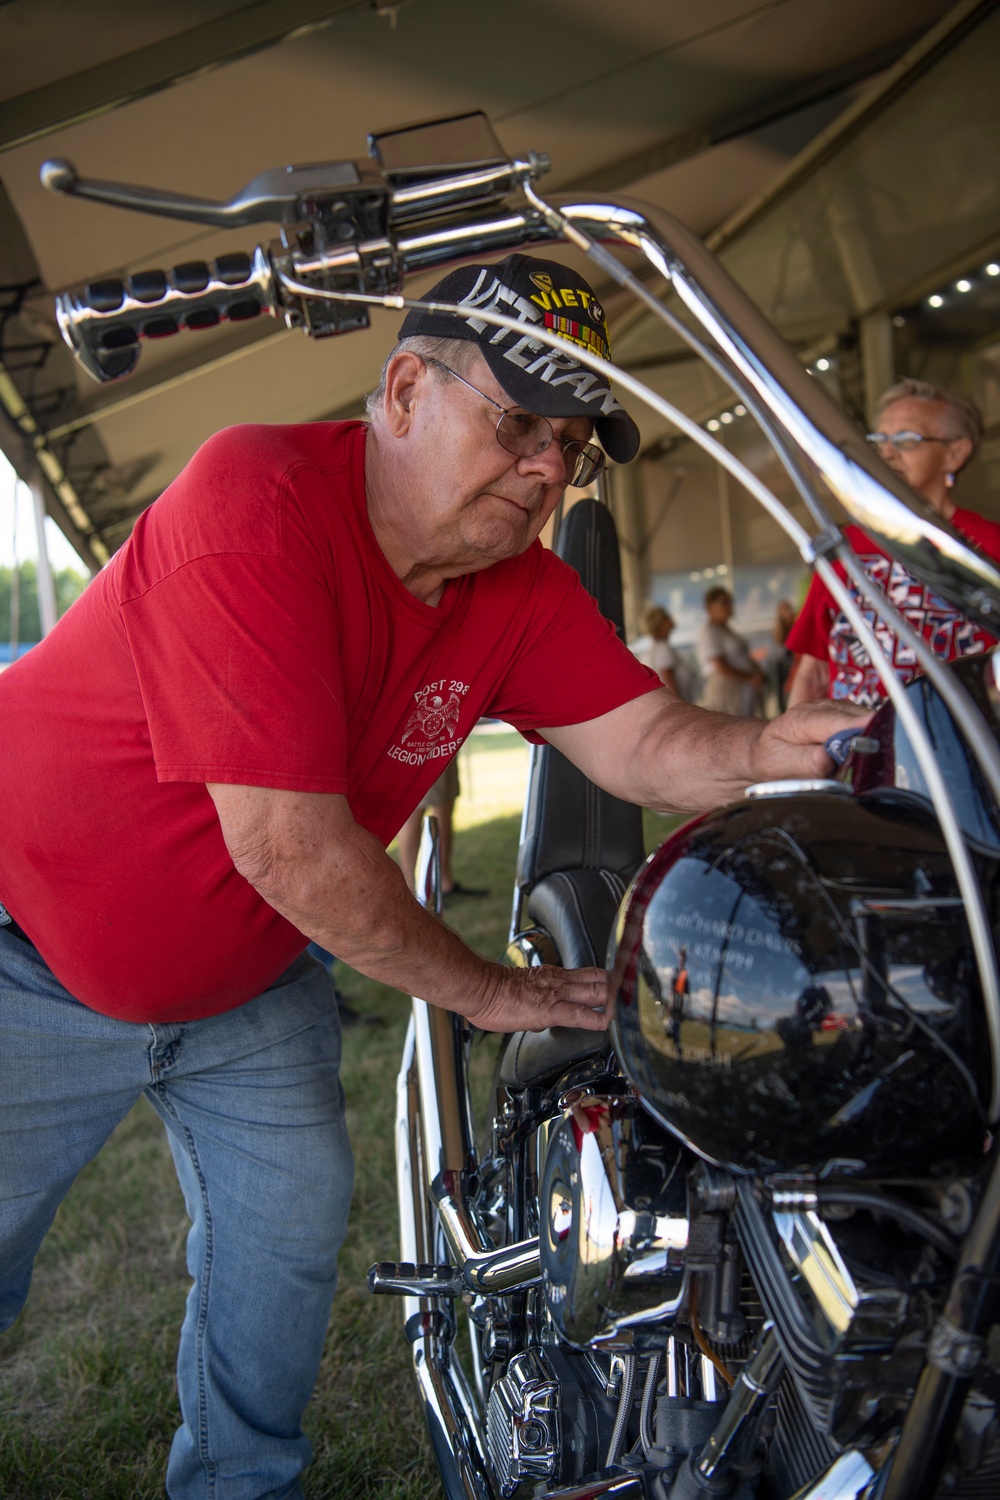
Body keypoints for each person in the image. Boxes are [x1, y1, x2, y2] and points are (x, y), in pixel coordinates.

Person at [0, 251, 864, 1500]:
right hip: (29, 953)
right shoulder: (256, 498)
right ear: (403, 389)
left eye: (571, 444)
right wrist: (486, 990)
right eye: (517, 422)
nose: (547, 468)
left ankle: (239, 1486)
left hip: (244, 977)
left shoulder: (512, 584)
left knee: (287, 1250)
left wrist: (765, 753)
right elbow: (288, 847)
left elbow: (640, 741)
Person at [787, 378, 1000, 707]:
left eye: (905, 440)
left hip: (958, 747)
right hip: (857, 749)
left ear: (955, 453)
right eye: (879, 440)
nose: (887, 452)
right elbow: (813, 670)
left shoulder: (989, 547)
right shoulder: (847, 545)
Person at [395, 754, 488, 901]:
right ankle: (409, 889)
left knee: (446, 801)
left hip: (446, 739)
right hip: (422, 742)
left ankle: (444, 883)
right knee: (415, 807)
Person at [696, 585, 763, 715]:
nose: (729, 607)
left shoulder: (725, 630)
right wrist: (750, 677)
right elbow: (720, 666)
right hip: (727, 689)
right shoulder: (709, 632)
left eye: (730, 602)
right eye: (724, 603)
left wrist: (756, 672)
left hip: (741, 686)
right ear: (710, 607)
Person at [643, 604, 687, 698]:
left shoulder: (657, 647)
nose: (671, 621)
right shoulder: (662, 648)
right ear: (661, 625)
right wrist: (680, 703)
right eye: (667, 618)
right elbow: (668, 679)